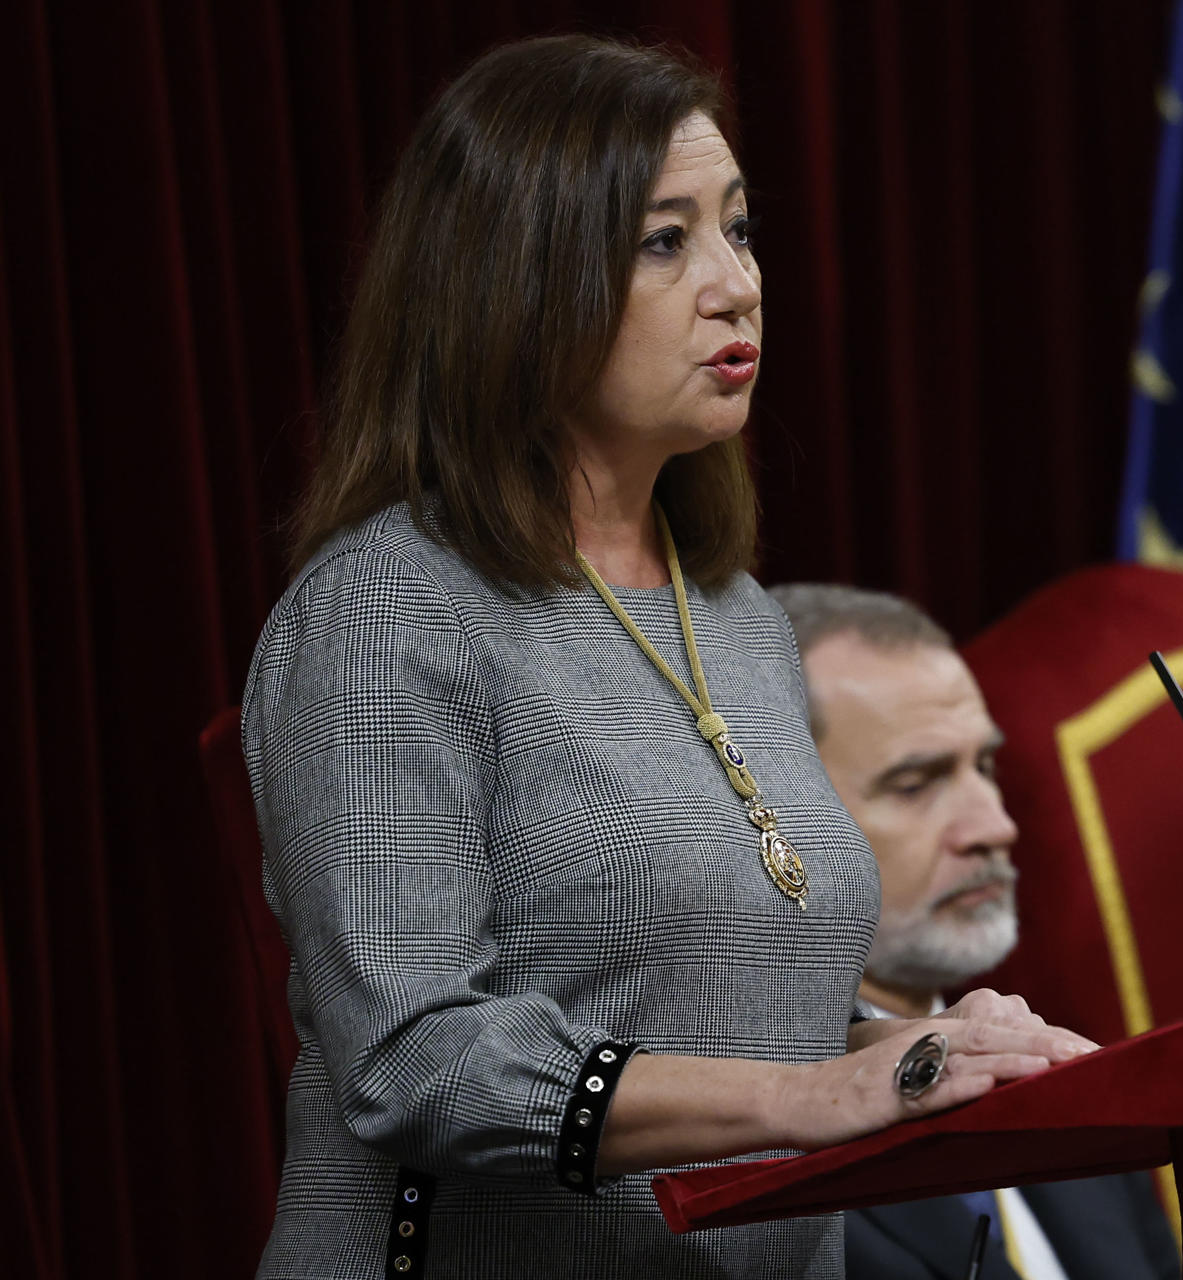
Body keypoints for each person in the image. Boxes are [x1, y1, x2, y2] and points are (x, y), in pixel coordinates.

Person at [242, 36, 1092, 1279]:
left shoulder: (737, 616)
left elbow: (740, 1015)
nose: (736, 284)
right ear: (518, 281)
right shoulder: (387, 609)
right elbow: (414, 1058)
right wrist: (811, 1095)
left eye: (740, 230)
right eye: (664, 241)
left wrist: (920, 1053)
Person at [771, 583, 1181, 1280]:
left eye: (984, 766)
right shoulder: (741, 1137)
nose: (996, 826)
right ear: (772, 818)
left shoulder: (1064, 1088)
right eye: (916, 783)